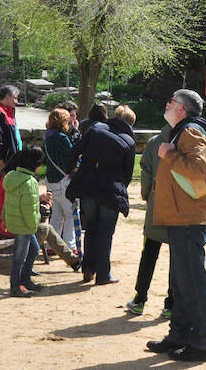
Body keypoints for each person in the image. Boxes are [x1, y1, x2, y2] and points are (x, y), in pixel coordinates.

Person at [148, 89, 206, 363]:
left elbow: (200, 169)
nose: (167, 104)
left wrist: (168, 155)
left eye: (171, 101)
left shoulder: (190, 132)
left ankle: (202, 343)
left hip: (188, 220)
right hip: (182, 219)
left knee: (193, 283)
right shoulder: (183, 131)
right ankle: (179, 335)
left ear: (182, 108)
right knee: (180, 283)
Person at [66, 104, 136, 286]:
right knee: (105, 233)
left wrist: (71, 169)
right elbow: (127, 173)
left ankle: (88, 269)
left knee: (91, 228)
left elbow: (75, 150)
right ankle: (103, 274)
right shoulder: (128, 141)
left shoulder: (95, 129)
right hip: (111, 190)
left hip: (89, 185)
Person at [126, 124, 172, 318]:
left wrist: (147, 195)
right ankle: (171, 304)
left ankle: (140, 299)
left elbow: (146, 172)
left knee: (149, 254)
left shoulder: (155, 142)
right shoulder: (188, 141)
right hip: (182, 209)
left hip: (157, 205)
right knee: (177, 260)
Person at [2, 146, 45, 297]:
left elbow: (7, 201)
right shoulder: (30, 182)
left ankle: (25, 280)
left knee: (33, 250)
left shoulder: (11, 176)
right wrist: (34, 225)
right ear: (36, 165)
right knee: (19, 258)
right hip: (25, 225)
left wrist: (4, 218)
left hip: (17, 222)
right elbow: (30, 208)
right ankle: (15, 287)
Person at [43, 107, 76, 252]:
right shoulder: (62, 138)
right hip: (63, 179)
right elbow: (73, 154)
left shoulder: (47, 137)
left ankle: (52, 245)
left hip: (50, 179)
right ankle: (70, 246)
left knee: (56, 215)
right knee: (70, 214)